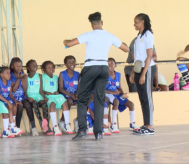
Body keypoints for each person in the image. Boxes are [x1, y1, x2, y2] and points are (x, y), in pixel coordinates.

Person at [63, 12, 129, 140]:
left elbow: (69, 44)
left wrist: (65, 41)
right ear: (101, 23)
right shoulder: (110, 36)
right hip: (103, 68)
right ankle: (98, 132)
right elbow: (126, 49)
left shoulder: (89, 35)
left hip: (90, 67)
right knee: (100, 100)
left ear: (92, 25)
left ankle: (82, 130)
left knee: (82, 100)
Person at [129, 13, 156, 135]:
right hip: (138, 69)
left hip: (147, 69)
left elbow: (149, 56)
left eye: (136, 22)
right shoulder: (138, 36)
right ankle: (145, 124)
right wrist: (133, 72)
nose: (134, 24)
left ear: (142, 22)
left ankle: (150, 126)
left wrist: (144, 74)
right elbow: (137, 58)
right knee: (142, 99)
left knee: (148, 98)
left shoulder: (148, 35)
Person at [105, 58, 140, 133]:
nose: (109, 65)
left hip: (116, 94)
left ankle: (132, 123)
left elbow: (119, 87)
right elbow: (102, 89)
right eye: (108, 63)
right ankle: (113, 124)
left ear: (115, 65)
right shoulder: (104, 75)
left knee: (131, 104)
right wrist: (113, 92)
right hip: (108, 94)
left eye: (111, 63)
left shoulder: (118, 75)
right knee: (116, 101)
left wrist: (123, 93)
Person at [42, 60, 73, 136]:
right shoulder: (42, 77)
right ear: (44, 69)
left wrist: (57, 91)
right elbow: (40, 88)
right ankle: (55, 126)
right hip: (48, 96)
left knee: (64, 102)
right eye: (48, 67)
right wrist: (45, 92)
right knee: (52, 104)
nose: (51, 69)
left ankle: (67, 124)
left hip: (56, 95)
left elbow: (59, 88)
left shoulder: (56, 77)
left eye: (52, 67)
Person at [10, 57, 39, 136]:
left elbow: (25, 89)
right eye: (17, 66)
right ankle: (17, 128)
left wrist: (23, 78)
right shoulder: (10, 76)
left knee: (27, 104)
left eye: (20, 66)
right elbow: (14, 90)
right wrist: (18, 79)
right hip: (13, 97)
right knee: (19, 107)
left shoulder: (24, 75)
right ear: (12, 66)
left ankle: (34, 128)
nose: (19, 68)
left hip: (22, 96)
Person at [24, 60, 53, 135]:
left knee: (44, 104)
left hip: (38, 95)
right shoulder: (25, 77)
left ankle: (45, 124)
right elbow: (25, 90)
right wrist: (28, 98)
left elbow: (41, 90)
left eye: (36, 65)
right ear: (28, 67)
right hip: (30, 96)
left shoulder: (39, 76)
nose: (35, 66)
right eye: (32, 65)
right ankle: (41, 123)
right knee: (35, 104)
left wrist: (44, 97)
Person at [0, 66, 24, 136]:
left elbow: (10, 94)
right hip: (0, 100)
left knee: (14, 107)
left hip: (8, 99)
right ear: (1, 75)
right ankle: (12, 127)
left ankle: (9, 128)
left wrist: (15, 101)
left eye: (9, 73)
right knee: (9, 107)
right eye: (7, 73)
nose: (9, 75)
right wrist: (8, 102)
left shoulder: (9, 82)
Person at [59, 55, 79, 133]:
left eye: (73, 61)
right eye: (69, 62)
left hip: (75, 95)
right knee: (69, 101)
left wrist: (77, 94)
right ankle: (62, 121)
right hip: (65, 95)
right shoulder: (62, 74)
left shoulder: (78, 74)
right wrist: (70, 95)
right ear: (65, 64)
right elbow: (61, 88)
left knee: (84, 101)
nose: (72, 63)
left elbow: (79, 87)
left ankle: (77, 120)